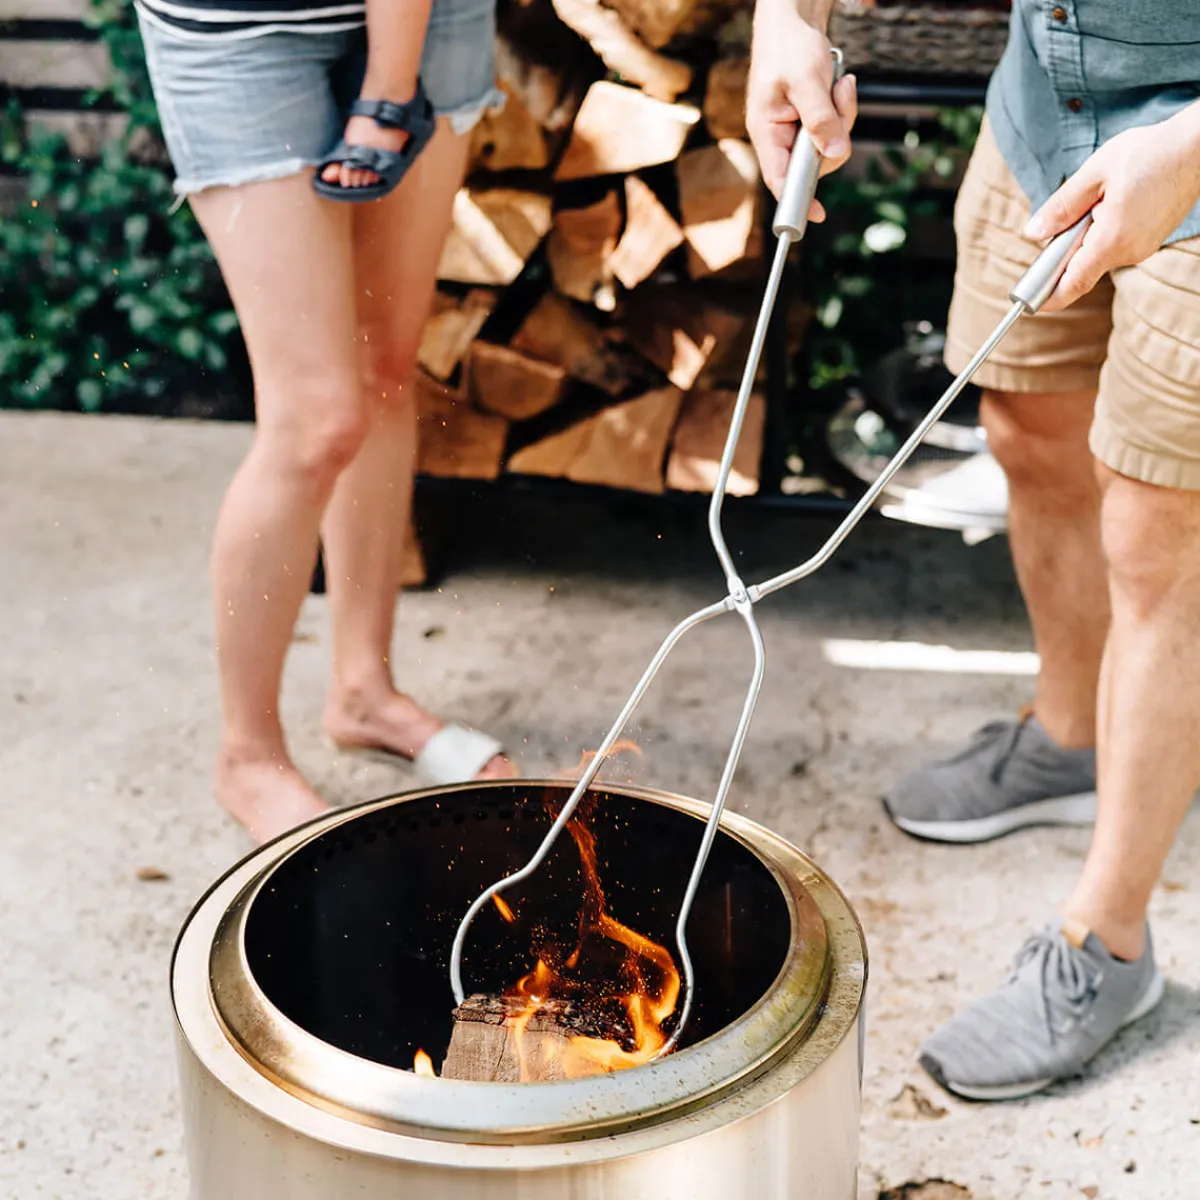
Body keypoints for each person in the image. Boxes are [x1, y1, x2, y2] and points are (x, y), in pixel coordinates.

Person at [747, 0, 1200, 1099]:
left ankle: (1111, 948)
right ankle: (1070, 739)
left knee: (1164, 532)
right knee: (1027, 423)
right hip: (1047, 98)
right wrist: (788, 15)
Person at [133, 0, 514, 845]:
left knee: (384, 372)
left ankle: (363, 695)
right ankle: (248, 756)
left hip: (429, 17)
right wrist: (386, 89)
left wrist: (394, 75)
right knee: (314, 420)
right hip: (240, 30)